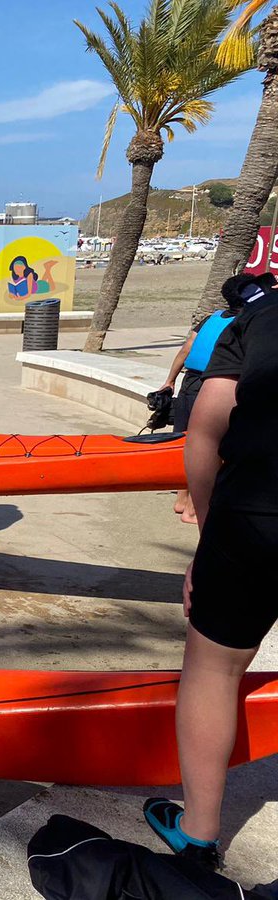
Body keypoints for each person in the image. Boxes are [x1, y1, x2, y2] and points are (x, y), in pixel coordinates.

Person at [143, 273, 278, 871]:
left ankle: (198, 836)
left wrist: (207, 539)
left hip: (256, 515)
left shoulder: (255, 318)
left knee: (213, 670)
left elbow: (205, 432)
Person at [156, 275, 254, 522]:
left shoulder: (211, 318)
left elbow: (186, 349)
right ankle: (192, 509)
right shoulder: (251, 320)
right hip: (218, 385)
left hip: (191, 382)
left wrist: (169, 381)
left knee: (187, 441)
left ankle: (181, 500)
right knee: (212, 446)